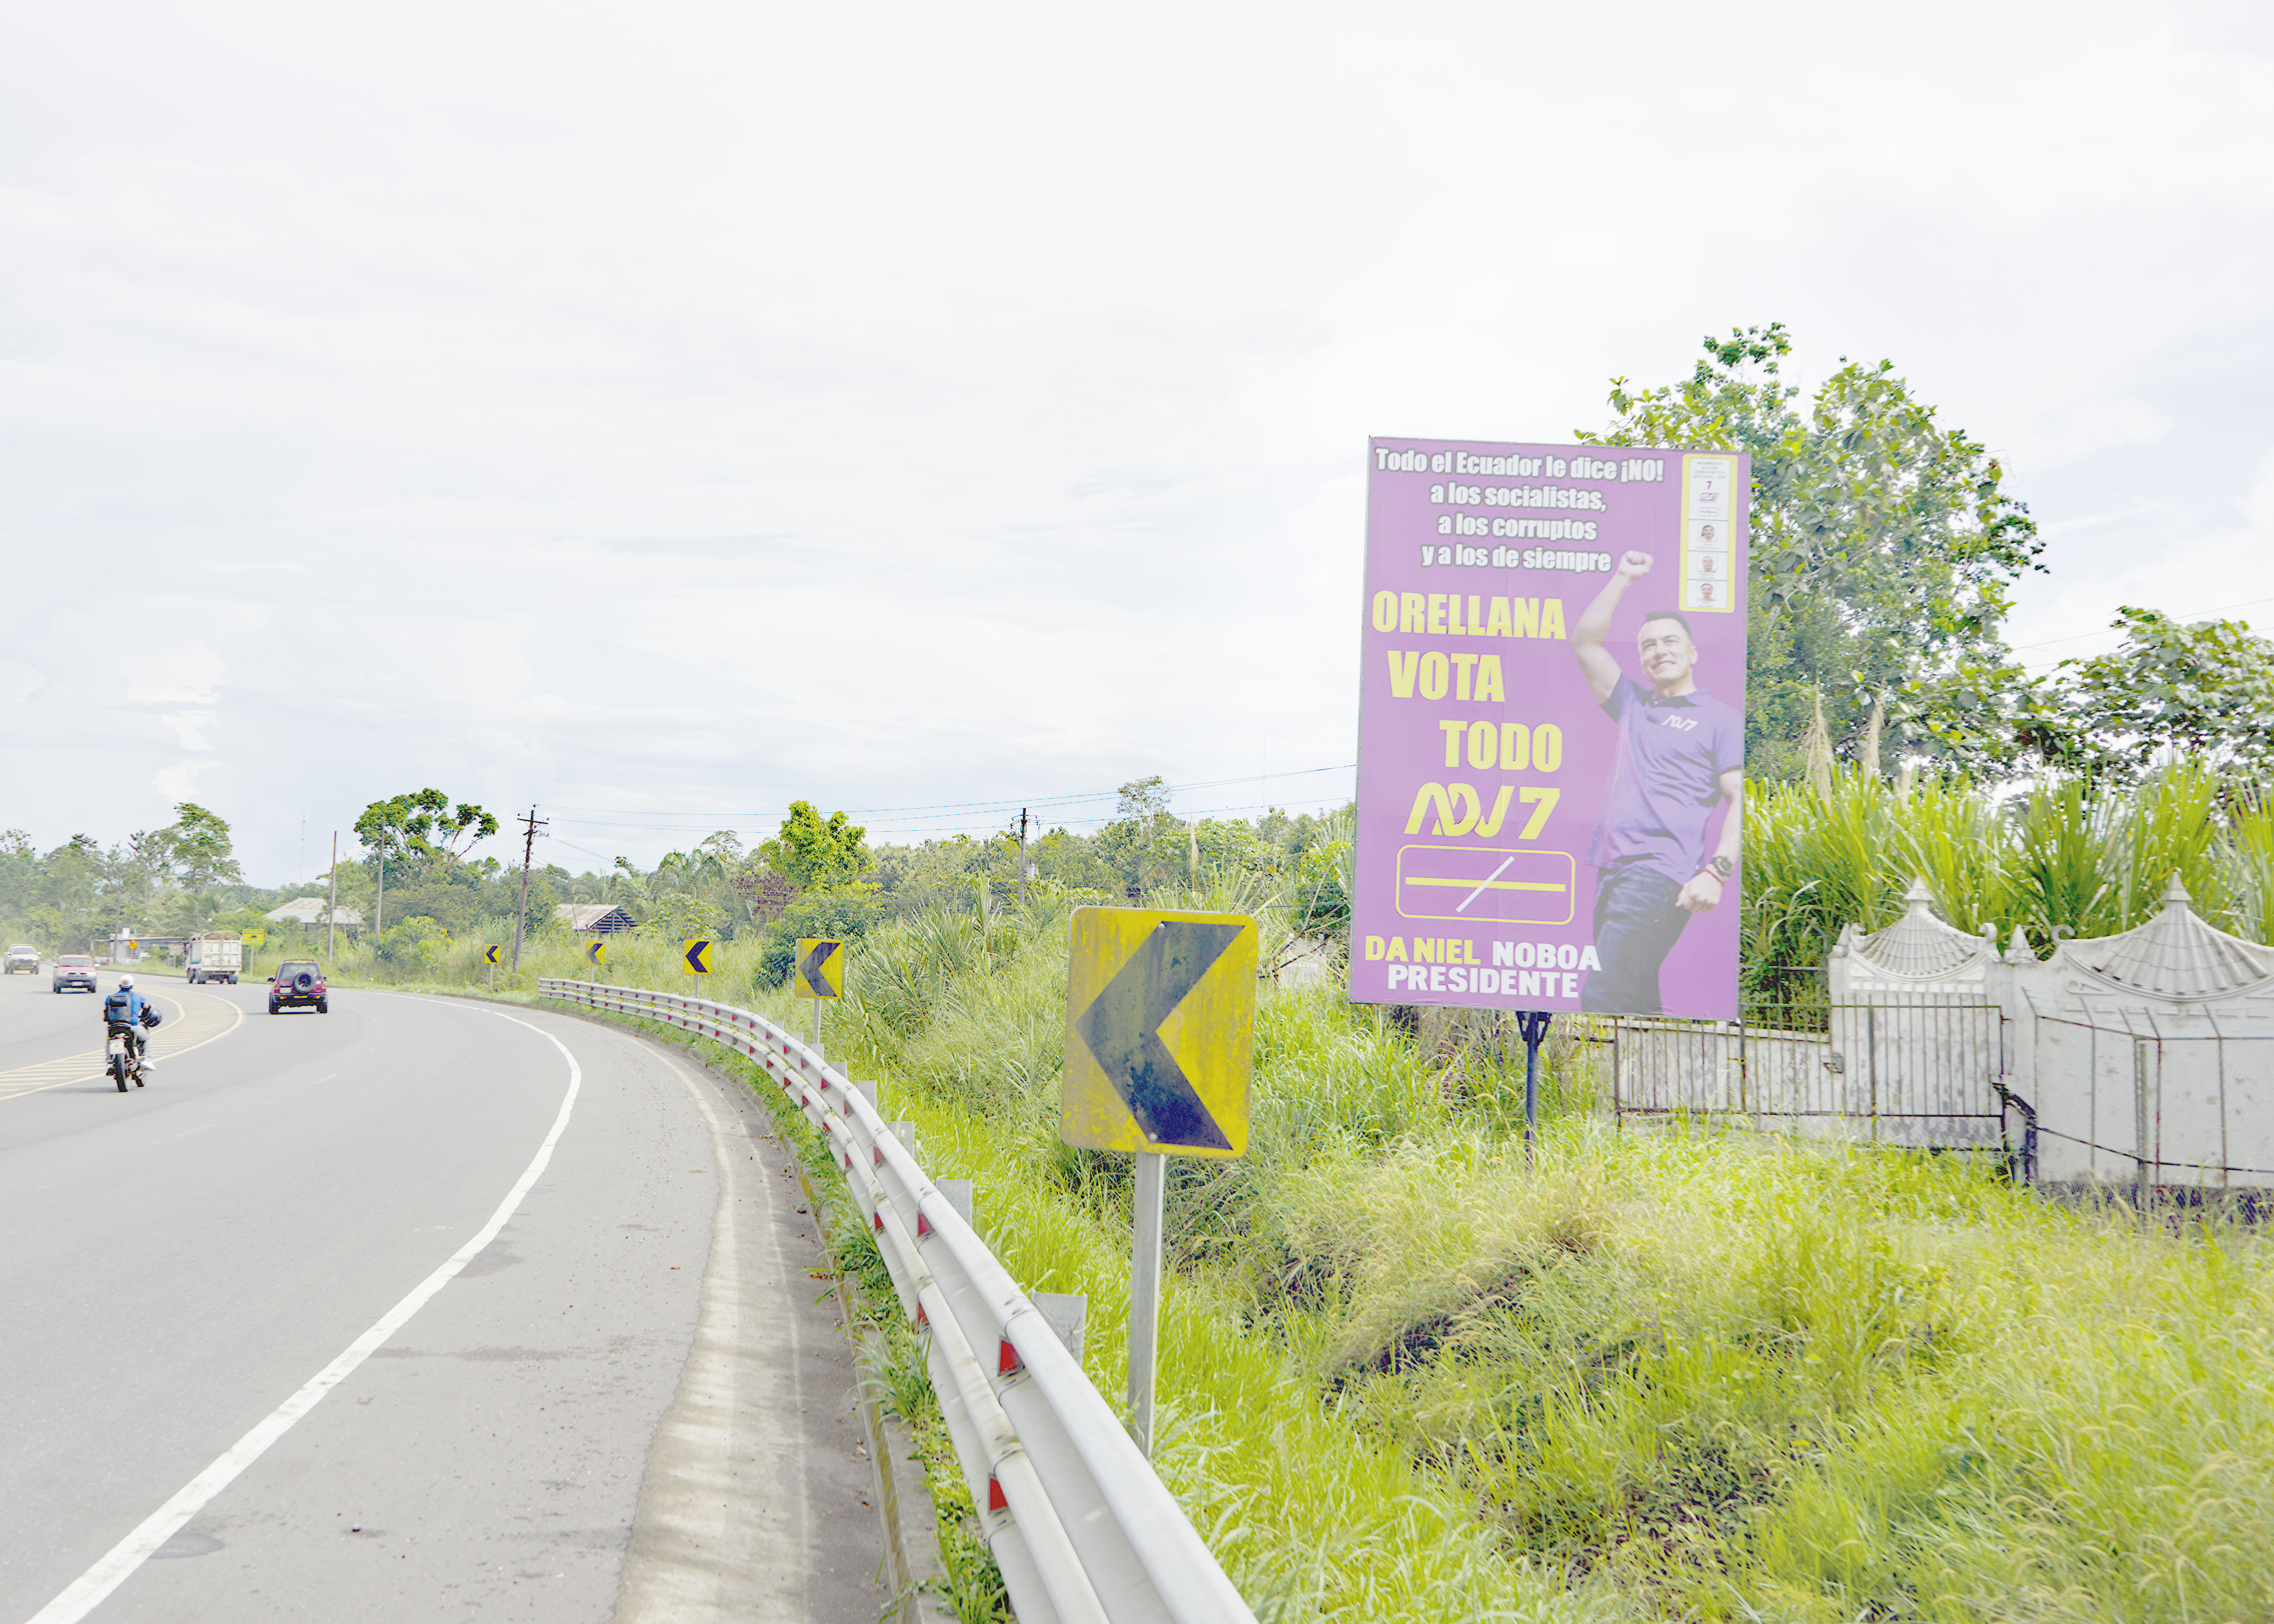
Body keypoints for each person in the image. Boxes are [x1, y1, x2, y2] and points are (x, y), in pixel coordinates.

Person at [1570, 550, 1744, 1014]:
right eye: (1648, 644)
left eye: (1670, 641)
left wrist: (1717, 872)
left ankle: (1587, 1088)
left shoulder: (1720, 719)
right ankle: (1652, 1086)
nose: (1659, 650)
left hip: (1660, 872)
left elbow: (1740, 801)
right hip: (1613, 870)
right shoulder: (1632, 705)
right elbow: (1586, 642)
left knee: (1603, 996)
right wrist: (1623, 577)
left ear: (1691, 653)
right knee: (1636, 999)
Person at [101, 974, 161, 1075]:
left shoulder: (110, 998)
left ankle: (109, 1062)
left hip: (114, 1027)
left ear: (119, 985)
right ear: (132, 986)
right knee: (147, 1039)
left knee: (110, 1040)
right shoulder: (137, 997)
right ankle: (146, 1059)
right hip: (132, 1027)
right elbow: (147, 1007)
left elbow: (107, 1010)